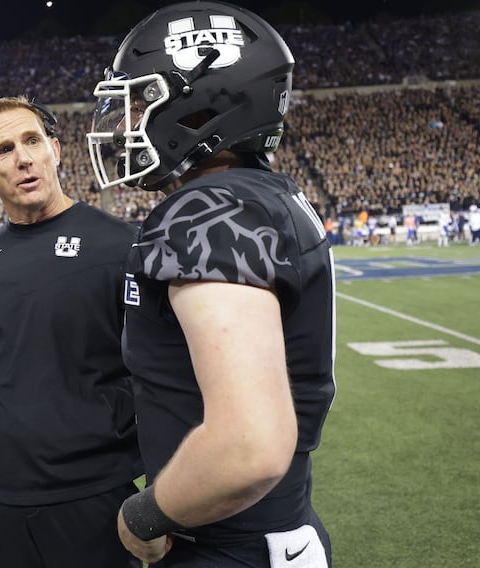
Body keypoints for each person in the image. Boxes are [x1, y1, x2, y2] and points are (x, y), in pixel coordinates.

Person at [87, 2, 335, 566]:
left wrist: (142, 515)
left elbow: (248, 447)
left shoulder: (207, 210)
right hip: (275, 532)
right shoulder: (262, 194)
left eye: (142, 101)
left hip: (229, 545)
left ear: (203, 100)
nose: (126, 124)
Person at [0, 95, 142, 568]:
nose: (23, 158)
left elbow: (162, 378)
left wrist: (163, 500)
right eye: (3, 150)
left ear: (56, 149)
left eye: (33, 140)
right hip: (3, 501)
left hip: (96, 496)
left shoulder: (122, 244)